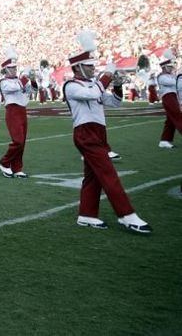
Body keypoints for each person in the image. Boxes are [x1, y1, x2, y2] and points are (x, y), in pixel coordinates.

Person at [64, 31, 152, 233]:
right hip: (85, 133)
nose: (93, 68)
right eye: (89, 65)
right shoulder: (71, 86)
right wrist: (106, 76)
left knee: (93, 176)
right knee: (109, 174)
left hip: (98, 132)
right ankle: (127, 215)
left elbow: (114, 103)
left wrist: (118, 86)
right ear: (78, 67)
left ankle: (86, 214)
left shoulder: (91, 84)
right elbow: (94, 93)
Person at [0, 47, 35, 178]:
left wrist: (33, 79)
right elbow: (15, 87)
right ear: (6, 69)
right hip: (12, 111)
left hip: (22, 110)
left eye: (15, 68)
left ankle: (17, 168)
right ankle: (4, 162)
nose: (15, 69)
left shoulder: (18, 80)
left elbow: (31, 91)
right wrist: (24, 77)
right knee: (18, 141)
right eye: (12, 68)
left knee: (22, 142)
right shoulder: (3, 82)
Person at [157, 49, 181, 148]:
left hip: (173, 97)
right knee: (178, 116)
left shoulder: (171, 76)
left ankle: (164, 140)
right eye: (169, 67)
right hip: (168, 97)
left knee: (170, 121)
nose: (171, 69)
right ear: (164, 67)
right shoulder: (161, 77)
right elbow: (175, 84)